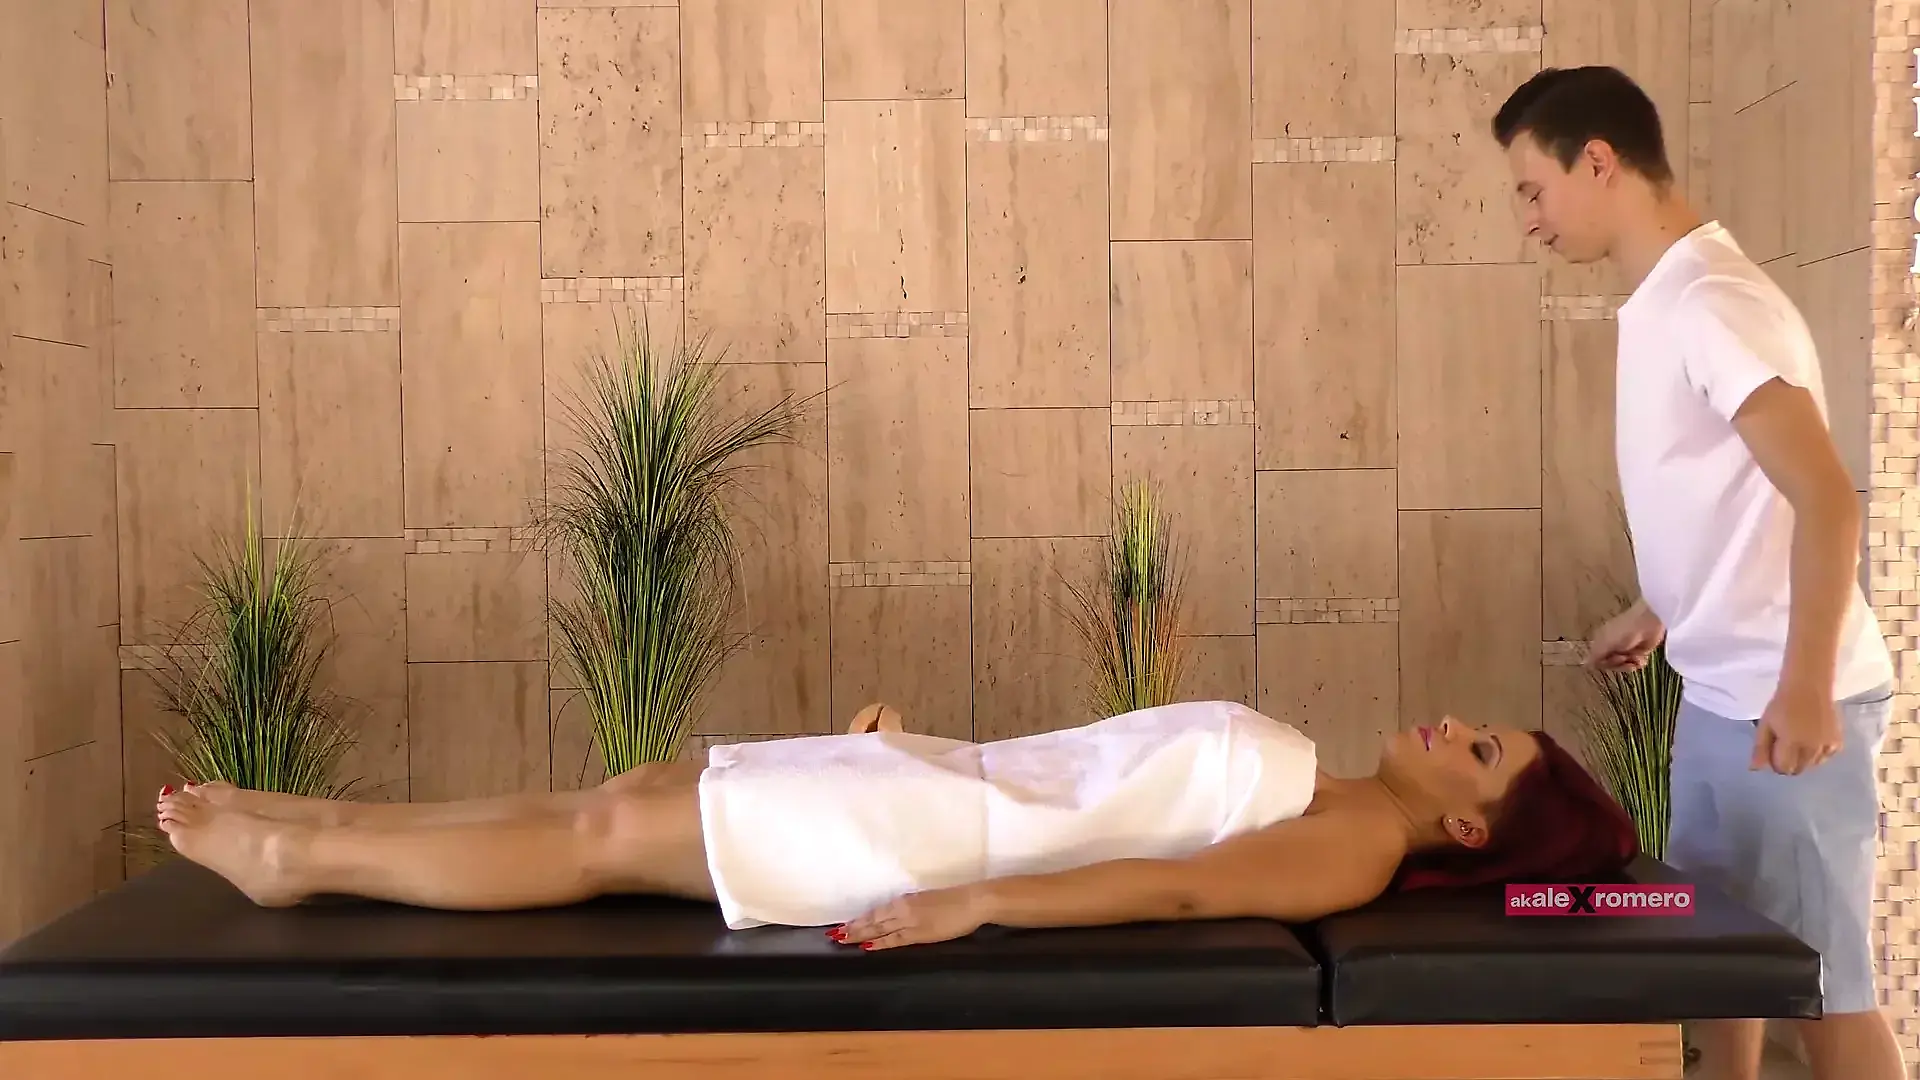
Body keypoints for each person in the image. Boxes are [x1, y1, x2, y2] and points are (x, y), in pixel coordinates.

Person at [1491, 65, 1903, 1080]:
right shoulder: (1667, 301)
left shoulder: (1714, 302)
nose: (1529, 220)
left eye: (1534, 190)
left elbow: (1827, 499)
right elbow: (1731, 493)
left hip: (1785, 701)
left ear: (1598, 160)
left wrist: (1805, 687)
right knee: (1720, 964)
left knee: (1819, 991)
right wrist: (1662, 605)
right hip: (1722, 696)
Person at [152, 699, 1637, 949]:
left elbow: (1174, 892)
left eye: (1481, 752)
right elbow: (1086, 774)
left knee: (606, 842)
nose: (1453, 724)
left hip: (918, 846)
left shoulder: (1354, 844)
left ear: (1469, 830)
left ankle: (298, 864)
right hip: (931, 785)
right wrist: (909, 742)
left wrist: (978, 907)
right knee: (620, 797)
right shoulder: (1336, 785)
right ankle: (328, 824)